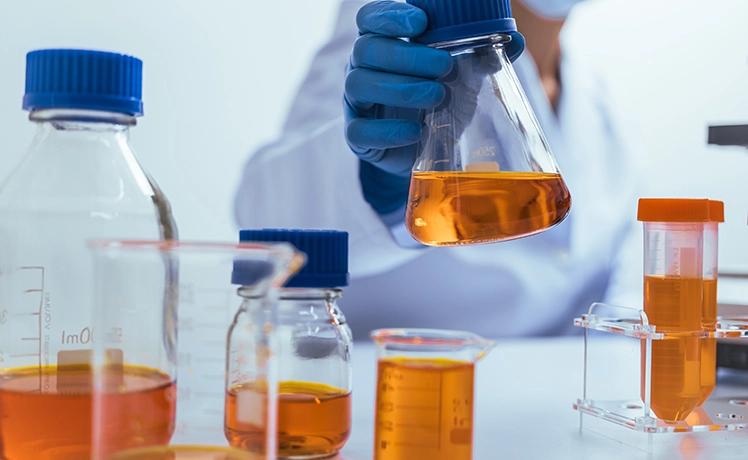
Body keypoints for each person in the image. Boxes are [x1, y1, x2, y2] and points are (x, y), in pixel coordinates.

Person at [234, 0, 641, 339]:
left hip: (549, 417)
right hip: (398, 399)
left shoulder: (593, 97)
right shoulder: (405, 32)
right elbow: (265, 217)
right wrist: (374, 183)